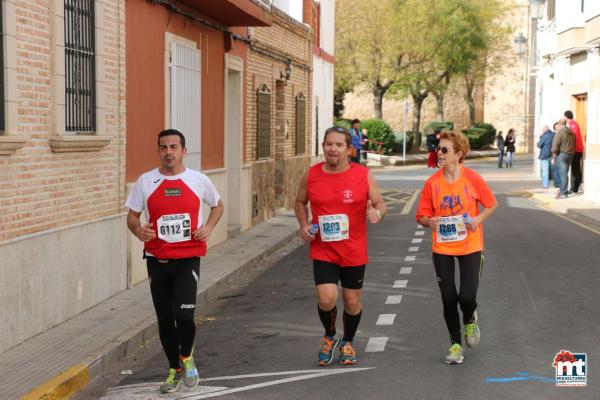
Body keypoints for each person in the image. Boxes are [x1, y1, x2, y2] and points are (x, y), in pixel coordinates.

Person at [125, 129, 224, 393]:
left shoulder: (198, 180)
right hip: (157, 259)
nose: (168, 152)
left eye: (174, 147)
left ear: (183, 151)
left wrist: (209, 228)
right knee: (165, 319)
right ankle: (173, 368)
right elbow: (132, 217)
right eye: (163, 147)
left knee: (184, 315)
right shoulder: (146, 181)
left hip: (188, 258)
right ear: (158, 151)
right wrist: (138, 231)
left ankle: (187, 357)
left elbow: (218, 205)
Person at [295, 126, 388, 366]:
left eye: (338, 145)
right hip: (323, 248)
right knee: (326, 299)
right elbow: (299, 201)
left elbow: (379, 202)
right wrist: (304, 225)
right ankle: (329, 336)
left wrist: (377, 212)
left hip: (353, 250)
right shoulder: (312, 174)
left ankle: (348, 341)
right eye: (328, 144)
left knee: (352, 301)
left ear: (349, 149)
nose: (332, 149)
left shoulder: (363, 175)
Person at [416, 131, 497, 364]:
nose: (438, 153)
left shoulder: (472, 178)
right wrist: (428, 221)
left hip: (471, 245)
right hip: (442, 247)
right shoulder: (432, 183)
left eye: (444, 150)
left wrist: (478, 220)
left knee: (467, 296)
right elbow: (421, 215)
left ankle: (470, 319)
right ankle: (455, 345)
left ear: (458, 155)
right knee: (449, 298)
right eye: (437, 149)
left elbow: (491, 204)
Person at [551, 118, 576, 199]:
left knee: (563, 174)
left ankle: (563, 192)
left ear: (559, 124)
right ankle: (564, 191)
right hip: (571, 154)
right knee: (565, 173)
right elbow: (574, 143)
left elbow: (555, 146)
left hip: (562, 154)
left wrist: (553, 156)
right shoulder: (571, 132)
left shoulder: (560, 133)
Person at [564, 110, 584, 194]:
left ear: (566, 117)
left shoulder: (573, 124)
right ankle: (573, 188)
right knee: (574, 169)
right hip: (575, 149)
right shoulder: (572, 124)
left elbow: (574, 137)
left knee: (575, 169)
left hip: (576, 150)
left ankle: (575, 188)